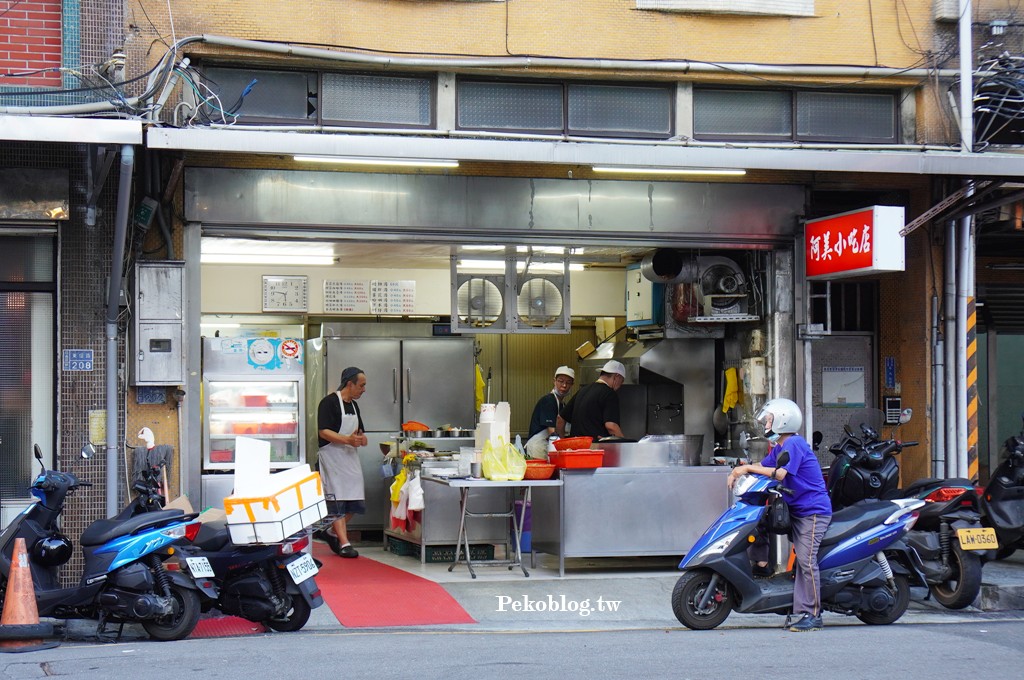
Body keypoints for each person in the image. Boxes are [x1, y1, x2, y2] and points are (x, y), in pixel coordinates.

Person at [726, 397, 832, 632]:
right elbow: (763, 467)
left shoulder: (794, 444)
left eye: (769, 420)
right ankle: (772, 579)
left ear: (782, 421)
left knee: (805, 561)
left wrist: (745, 468)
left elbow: (780, 474)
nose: (765, 424)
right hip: (798, 511)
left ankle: (813, 614)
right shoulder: (780, 447)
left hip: (812, 512)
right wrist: (738, 468)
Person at [316, 366, 369, 558]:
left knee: (355, 501)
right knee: (337, 499)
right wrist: (347, 440)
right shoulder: (329, 403)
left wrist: (362, 440)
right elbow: (323, 431)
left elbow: (360, 433)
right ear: (350, 383)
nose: (363, 389)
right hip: (332, 458)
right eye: (361, 385)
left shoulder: (354, 406)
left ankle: (330, 531)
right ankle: (345, 543)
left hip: (350, 459)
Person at [556, 360, 626, 439]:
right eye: (622, 381)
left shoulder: (582, 390)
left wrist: (562, 443)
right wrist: (625, 444)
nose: (621, 385)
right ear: (617, 377)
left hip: (575, 448)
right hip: (594, 448)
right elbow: (611, 426)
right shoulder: (609, 393)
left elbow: (560, 419)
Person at [525, 366, 575, 458]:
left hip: (548, 446)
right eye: (561, 381)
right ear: (554, 381)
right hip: (538, 447)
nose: (564, 385)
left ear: (572, 385)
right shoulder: (548, 401)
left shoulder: (563, 405)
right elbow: (552, 431)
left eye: (568, 383)